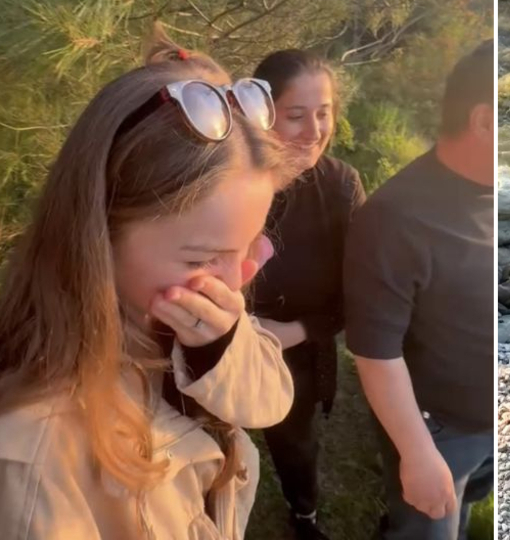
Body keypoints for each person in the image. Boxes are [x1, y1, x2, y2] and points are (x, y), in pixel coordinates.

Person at [0, 24, 296, 539]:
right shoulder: (38, 453)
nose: (238, 279)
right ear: (98, 233)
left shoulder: (198, 314)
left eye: (249, 247)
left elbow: (270, 403)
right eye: (206, 257)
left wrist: (221, 348)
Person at [344, 39, 495, 540]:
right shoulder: (394, 219)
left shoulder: (502, 191)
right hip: (438, 431)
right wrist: (417, 452)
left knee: (465, 506)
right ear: (485, 122)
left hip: (493, 420)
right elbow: (375, 353)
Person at [247, 49, 366, 540]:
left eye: (324, 113)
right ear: (261, 113)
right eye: (296, 115)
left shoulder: (340, 187)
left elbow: (360, 290)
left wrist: (292, 331)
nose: (315, 130)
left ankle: (304, 515)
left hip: (296, 345)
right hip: (212, 332)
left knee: (294, 438)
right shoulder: (227, 177)